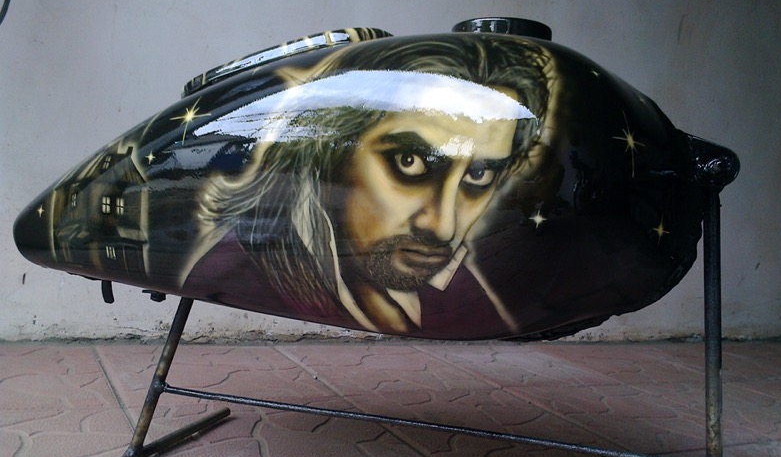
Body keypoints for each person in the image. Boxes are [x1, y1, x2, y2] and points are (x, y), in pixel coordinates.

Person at [181, 34, 561, 338]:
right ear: (329, 153)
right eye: (409, 162)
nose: (442, 226)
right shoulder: (235, 269)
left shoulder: (460, 287)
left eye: (478, 176)